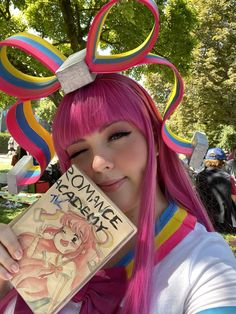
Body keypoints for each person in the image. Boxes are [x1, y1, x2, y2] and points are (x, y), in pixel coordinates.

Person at [1, 73, 236, 314]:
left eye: (117, 135)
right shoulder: (32, 247)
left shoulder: (205, 261)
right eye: (79, 151)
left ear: (154, 138)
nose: (98, 163)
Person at [195, 147, 236, 233]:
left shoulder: (199, 176)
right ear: (222, 162)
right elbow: (234, 198)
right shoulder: (228, 177)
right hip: (225, 223)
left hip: (206, 220)